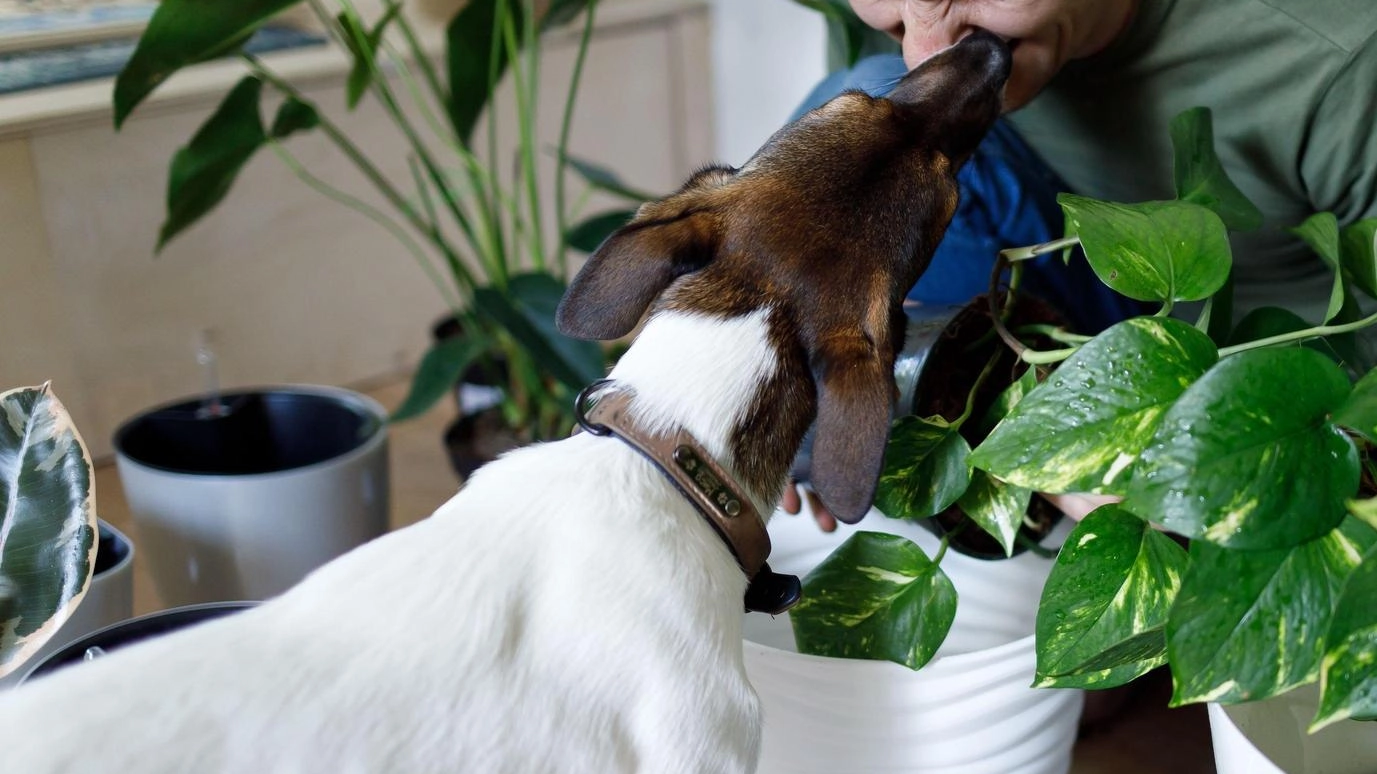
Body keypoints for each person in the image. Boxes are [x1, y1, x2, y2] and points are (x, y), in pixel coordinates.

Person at [784, 0, 1377, 529]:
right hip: (1075, 265)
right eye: (893, 18)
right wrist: (784, 363)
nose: (922, 54)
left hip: (1255, 375)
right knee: (867, 114)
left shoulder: (1339, 64)